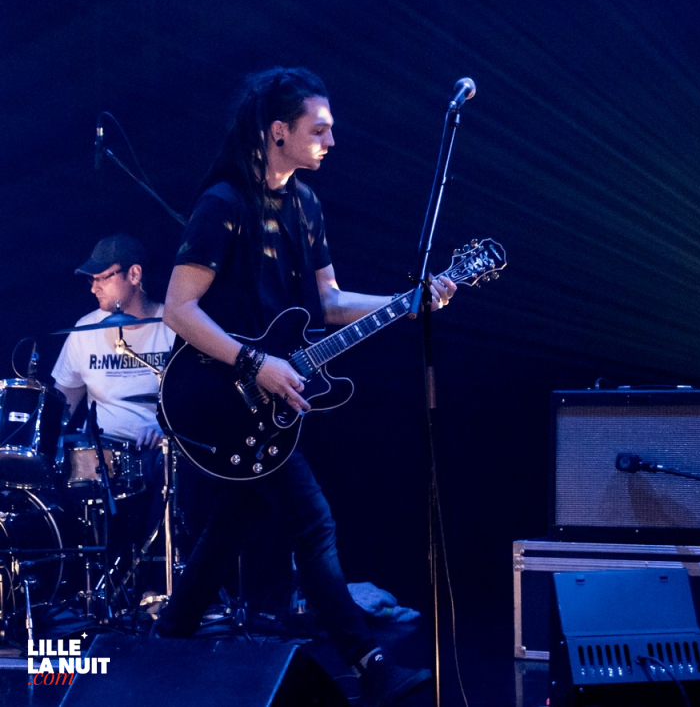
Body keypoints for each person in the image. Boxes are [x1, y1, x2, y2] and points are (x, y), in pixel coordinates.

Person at [157, 67, 453, 706]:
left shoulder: (305, 205)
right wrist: (253, 363)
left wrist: (409, 303)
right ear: (278, 132)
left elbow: (331, 301)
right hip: (217, 391)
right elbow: (178, 309)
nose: (331, 142)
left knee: (229, 529)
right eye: (318, 130)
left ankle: (166, 640)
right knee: (313, 524)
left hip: (263, 401)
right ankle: (370, 663)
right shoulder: (223, 204)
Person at [51, 234, 175, 464]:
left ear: (134, 274)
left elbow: (200, 404)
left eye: (103, 278)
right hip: (101, 458)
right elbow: (62, 405)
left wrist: (169, 433)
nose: (94, 288)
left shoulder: (173, 328)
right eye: (92, 280)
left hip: (162, 454)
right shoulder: (84, 330)